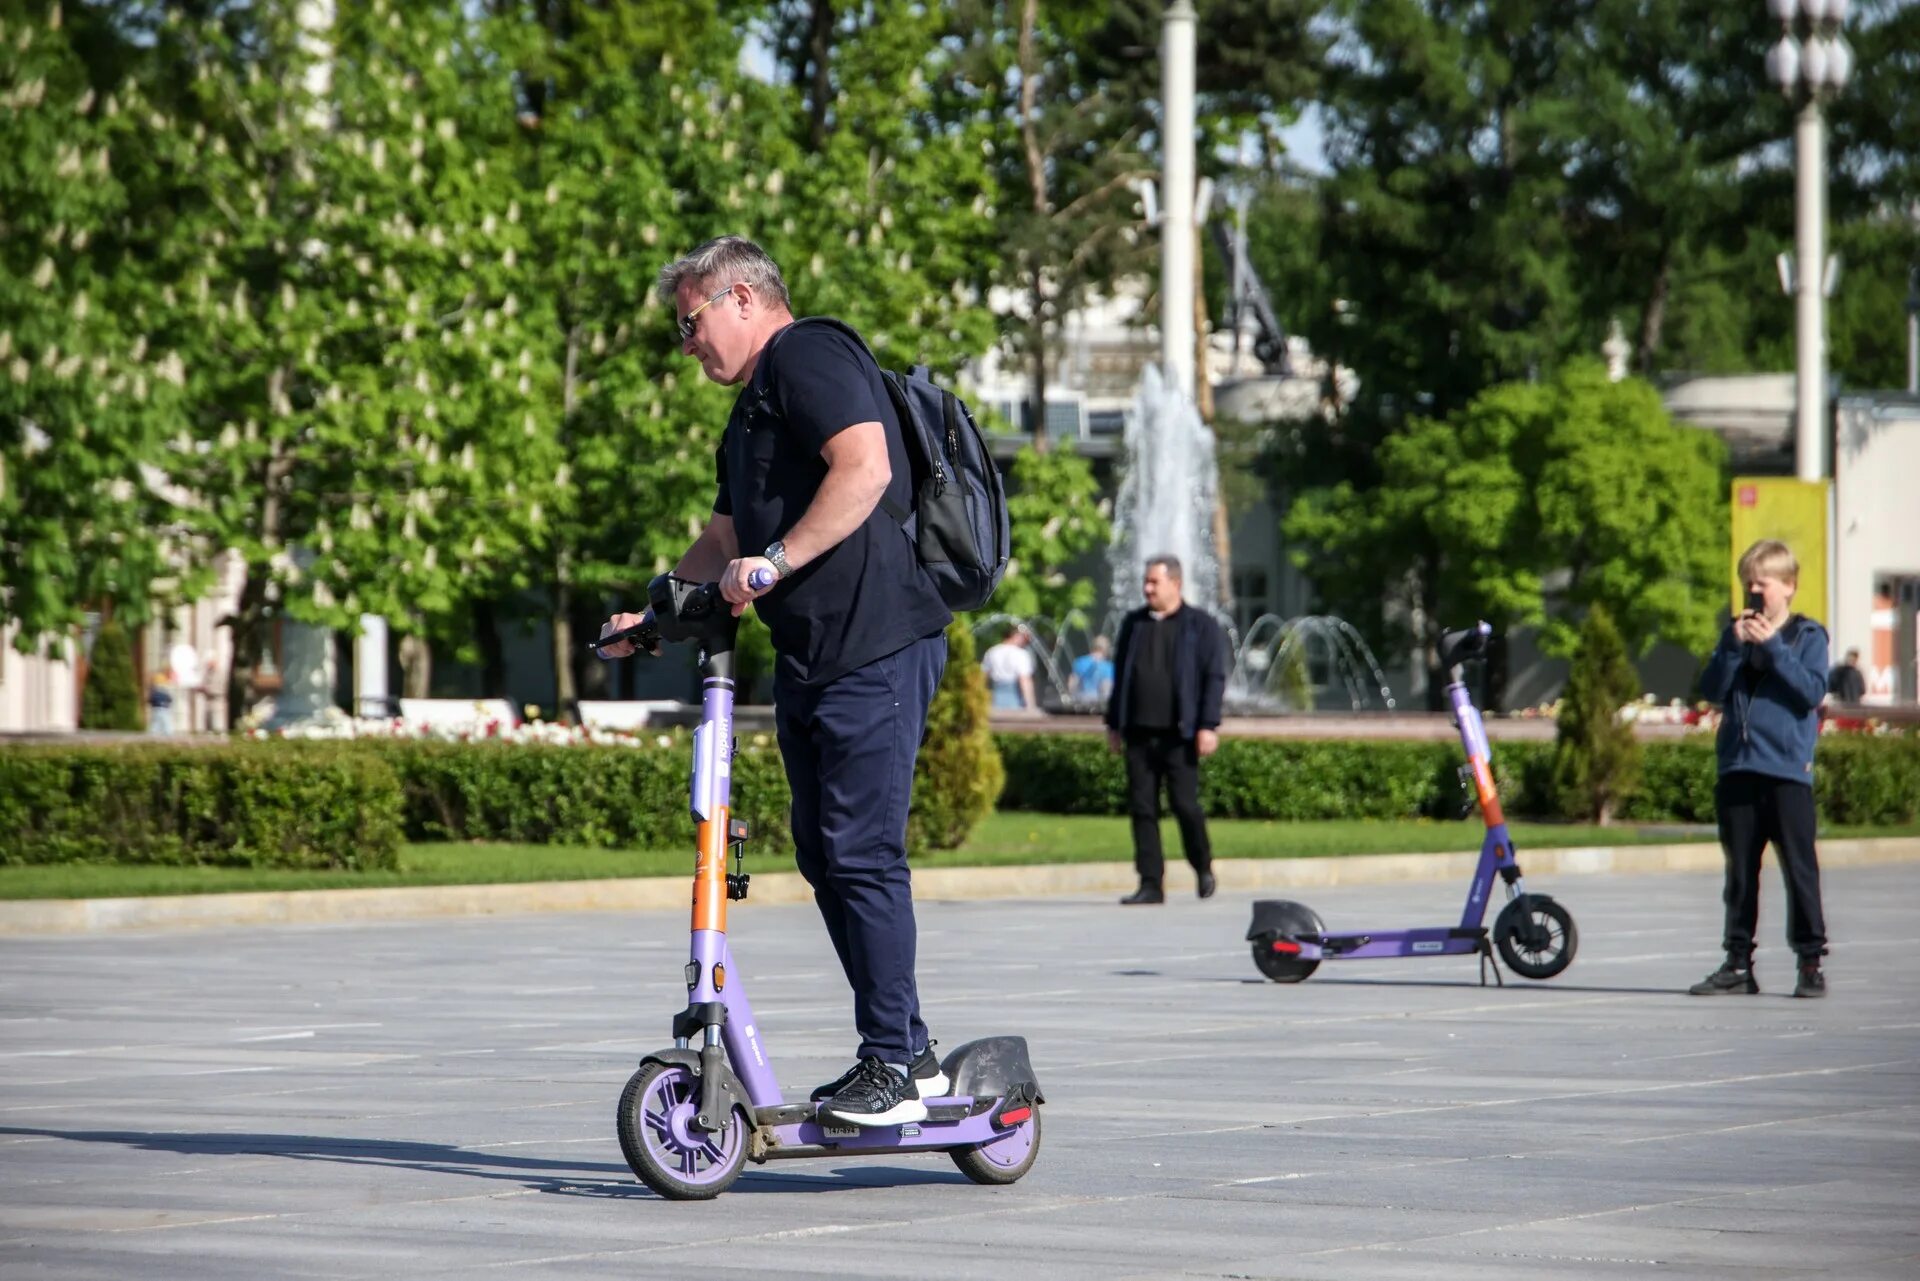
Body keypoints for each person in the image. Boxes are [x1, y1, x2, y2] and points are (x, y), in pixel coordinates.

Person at [597, 235, 951, 1126]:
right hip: (815, 657)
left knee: (862, 851)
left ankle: (892, 1063)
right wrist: (655, 616)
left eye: (690, 323)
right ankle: (909, 1052)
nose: (686, 347)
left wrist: (777, 561)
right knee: (826, 853)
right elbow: (720, 545)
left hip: (876, 642)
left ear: (743, 298)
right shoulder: (749, 412)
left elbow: (864, 467)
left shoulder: (809, 353)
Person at [1691, 538, 1830, 999]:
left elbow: (1810, 691)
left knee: (1799, 869)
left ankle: (1809, 962)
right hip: (1738, 767)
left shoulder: (1808, 637)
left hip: (1787, 771)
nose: (1754, 592)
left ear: (1788, 587)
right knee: (1740, 873)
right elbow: (1711, 689)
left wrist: (1774, 649)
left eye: (1763, 583)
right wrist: (1733, 647)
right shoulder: (1734, 633)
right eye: (1748, 583)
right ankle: (1737, 963)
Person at [1104, 555, 1229, 905]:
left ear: (1175, 583)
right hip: (1139, 733)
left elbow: (1213, 678)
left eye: (1154, 582)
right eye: (1146, 582)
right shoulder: (1133, 623)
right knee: (1142, 808)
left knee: (1185, 805)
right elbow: (1121, 677)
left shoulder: (1200, 625)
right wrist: (1114, 723)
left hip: (1181, 734)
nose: (1147, 589)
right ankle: (1150, 883)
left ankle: (1202, 865)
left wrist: (1208, 725)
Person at [980, 625, 1036, 710]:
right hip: (1014, 696)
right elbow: (1024, 680)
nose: (1025, 642)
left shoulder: (992, 651)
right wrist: (1031, 705)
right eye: (1024, 638)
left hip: (995, 696)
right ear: (1016, 636)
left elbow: (983, 677)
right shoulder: (1021, 654)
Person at [1070, 634, 1114, 706]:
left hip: (1081, 701)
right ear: (1106, 650)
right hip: (1098, 703)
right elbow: (1106, 689)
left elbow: (1072, 685)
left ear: (1092, 648)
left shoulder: (1079, 662)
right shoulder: (1108, 667)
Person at [147, 666, 176, 736]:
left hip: (157, 708)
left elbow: (150, 700)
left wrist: (152, 704)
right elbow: (170, 699)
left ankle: (153, 733)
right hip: (164, 708)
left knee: (156, 722)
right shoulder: (164, 692)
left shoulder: (154, 692)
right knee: (165, 722)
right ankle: (168, 732)